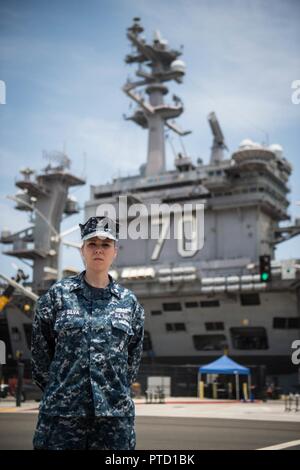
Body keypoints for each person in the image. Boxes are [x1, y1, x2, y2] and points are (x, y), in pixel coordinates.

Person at [31, 216, 145, 450]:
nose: (98, 250)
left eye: (105, 244)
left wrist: (111, 391)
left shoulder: (129, 303)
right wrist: (63, 392)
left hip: (114, 420)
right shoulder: (57, 297)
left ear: (115, 251)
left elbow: (132, 361)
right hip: (62, 418)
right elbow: (41, 358)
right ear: (82, 250)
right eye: (92, 244)